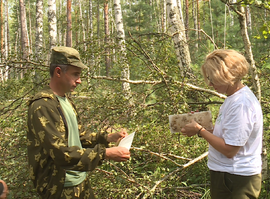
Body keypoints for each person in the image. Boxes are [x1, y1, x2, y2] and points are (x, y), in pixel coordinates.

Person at [27, 46, 131, 199]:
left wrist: (107, 138)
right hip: (60, 188)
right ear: (58, 72)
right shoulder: (42, 106)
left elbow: (80, 137)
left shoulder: (65, 101)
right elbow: (61, 153)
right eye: (75, 74)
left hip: (79, 182)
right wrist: (106, 153)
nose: (79, 80)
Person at [181, 49, 263, 199]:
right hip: (227, 174)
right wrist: (202, 126)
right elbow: (227, 137)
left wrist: (200, 131)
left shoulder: (241, 104)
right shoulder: (232, 98)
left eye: (212, 79)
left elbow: (230, 150)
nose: (210, 84)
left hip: (237, 177)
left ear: (226, 76)